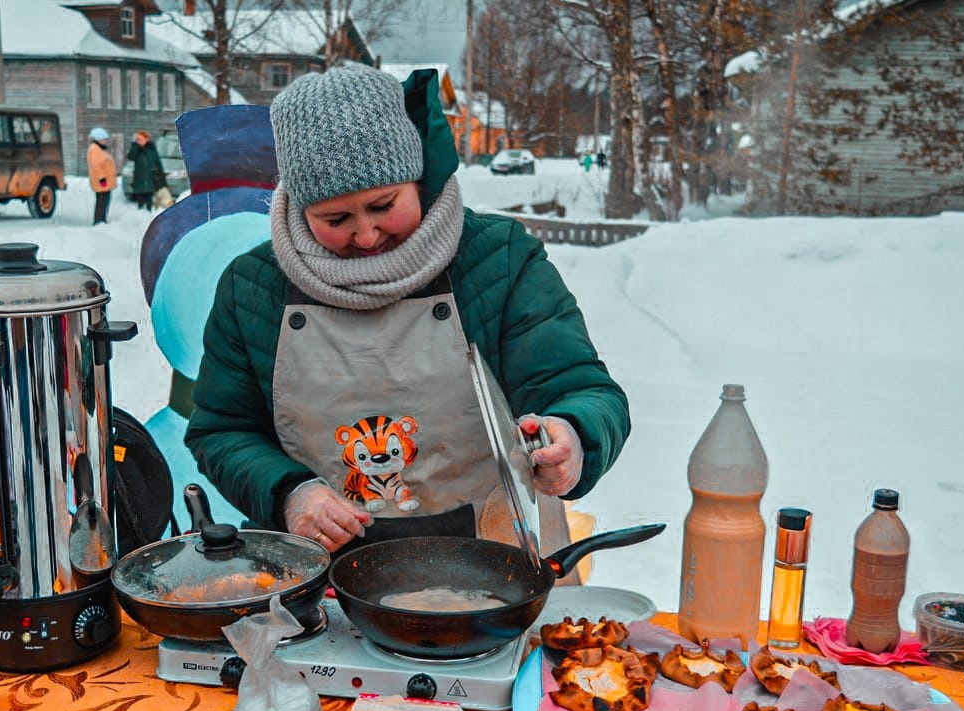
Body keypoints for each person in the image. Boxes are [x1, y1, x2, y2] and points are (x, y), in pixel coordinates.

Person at [185, 64, 630, 558]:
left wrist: (572, 435)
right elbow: (221, 430)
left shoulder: (499, 260)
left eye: (383, 205)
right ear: (298, 207)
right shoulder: (252, 287)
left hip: (495, 566)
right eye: (334, 219)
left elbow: (585, 390)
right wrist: (288, 492)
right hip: (313, 578)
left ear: (417, 179)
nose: (367, 235)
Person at [126, 129, 165, 211]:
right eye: (137, 139)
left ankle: (148, 216)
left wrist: (163, 179)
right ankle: (140, 218)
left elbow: (158, 164)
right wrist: (135, 146)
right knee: (140, 202)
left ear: (146, 139)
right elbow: (130, 157)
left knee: (149, 201)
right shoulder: (136, 149)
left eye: (141, 139)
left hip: (150, 179)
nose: (139, 141)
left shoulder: (152, 150)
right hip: (139, 179)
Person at [87, 127, 116, 225]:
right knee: (102, 201)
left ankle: (101, 219)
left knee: (104, 201)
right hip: (102, 182)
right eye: (104, 139)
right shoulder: (95, 150)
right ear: (98, 139)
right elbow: (96, 166)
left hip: (104, 182)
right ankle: (99, 221)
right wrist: (102, 179)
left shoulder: (99, 149)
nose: (106, 141)